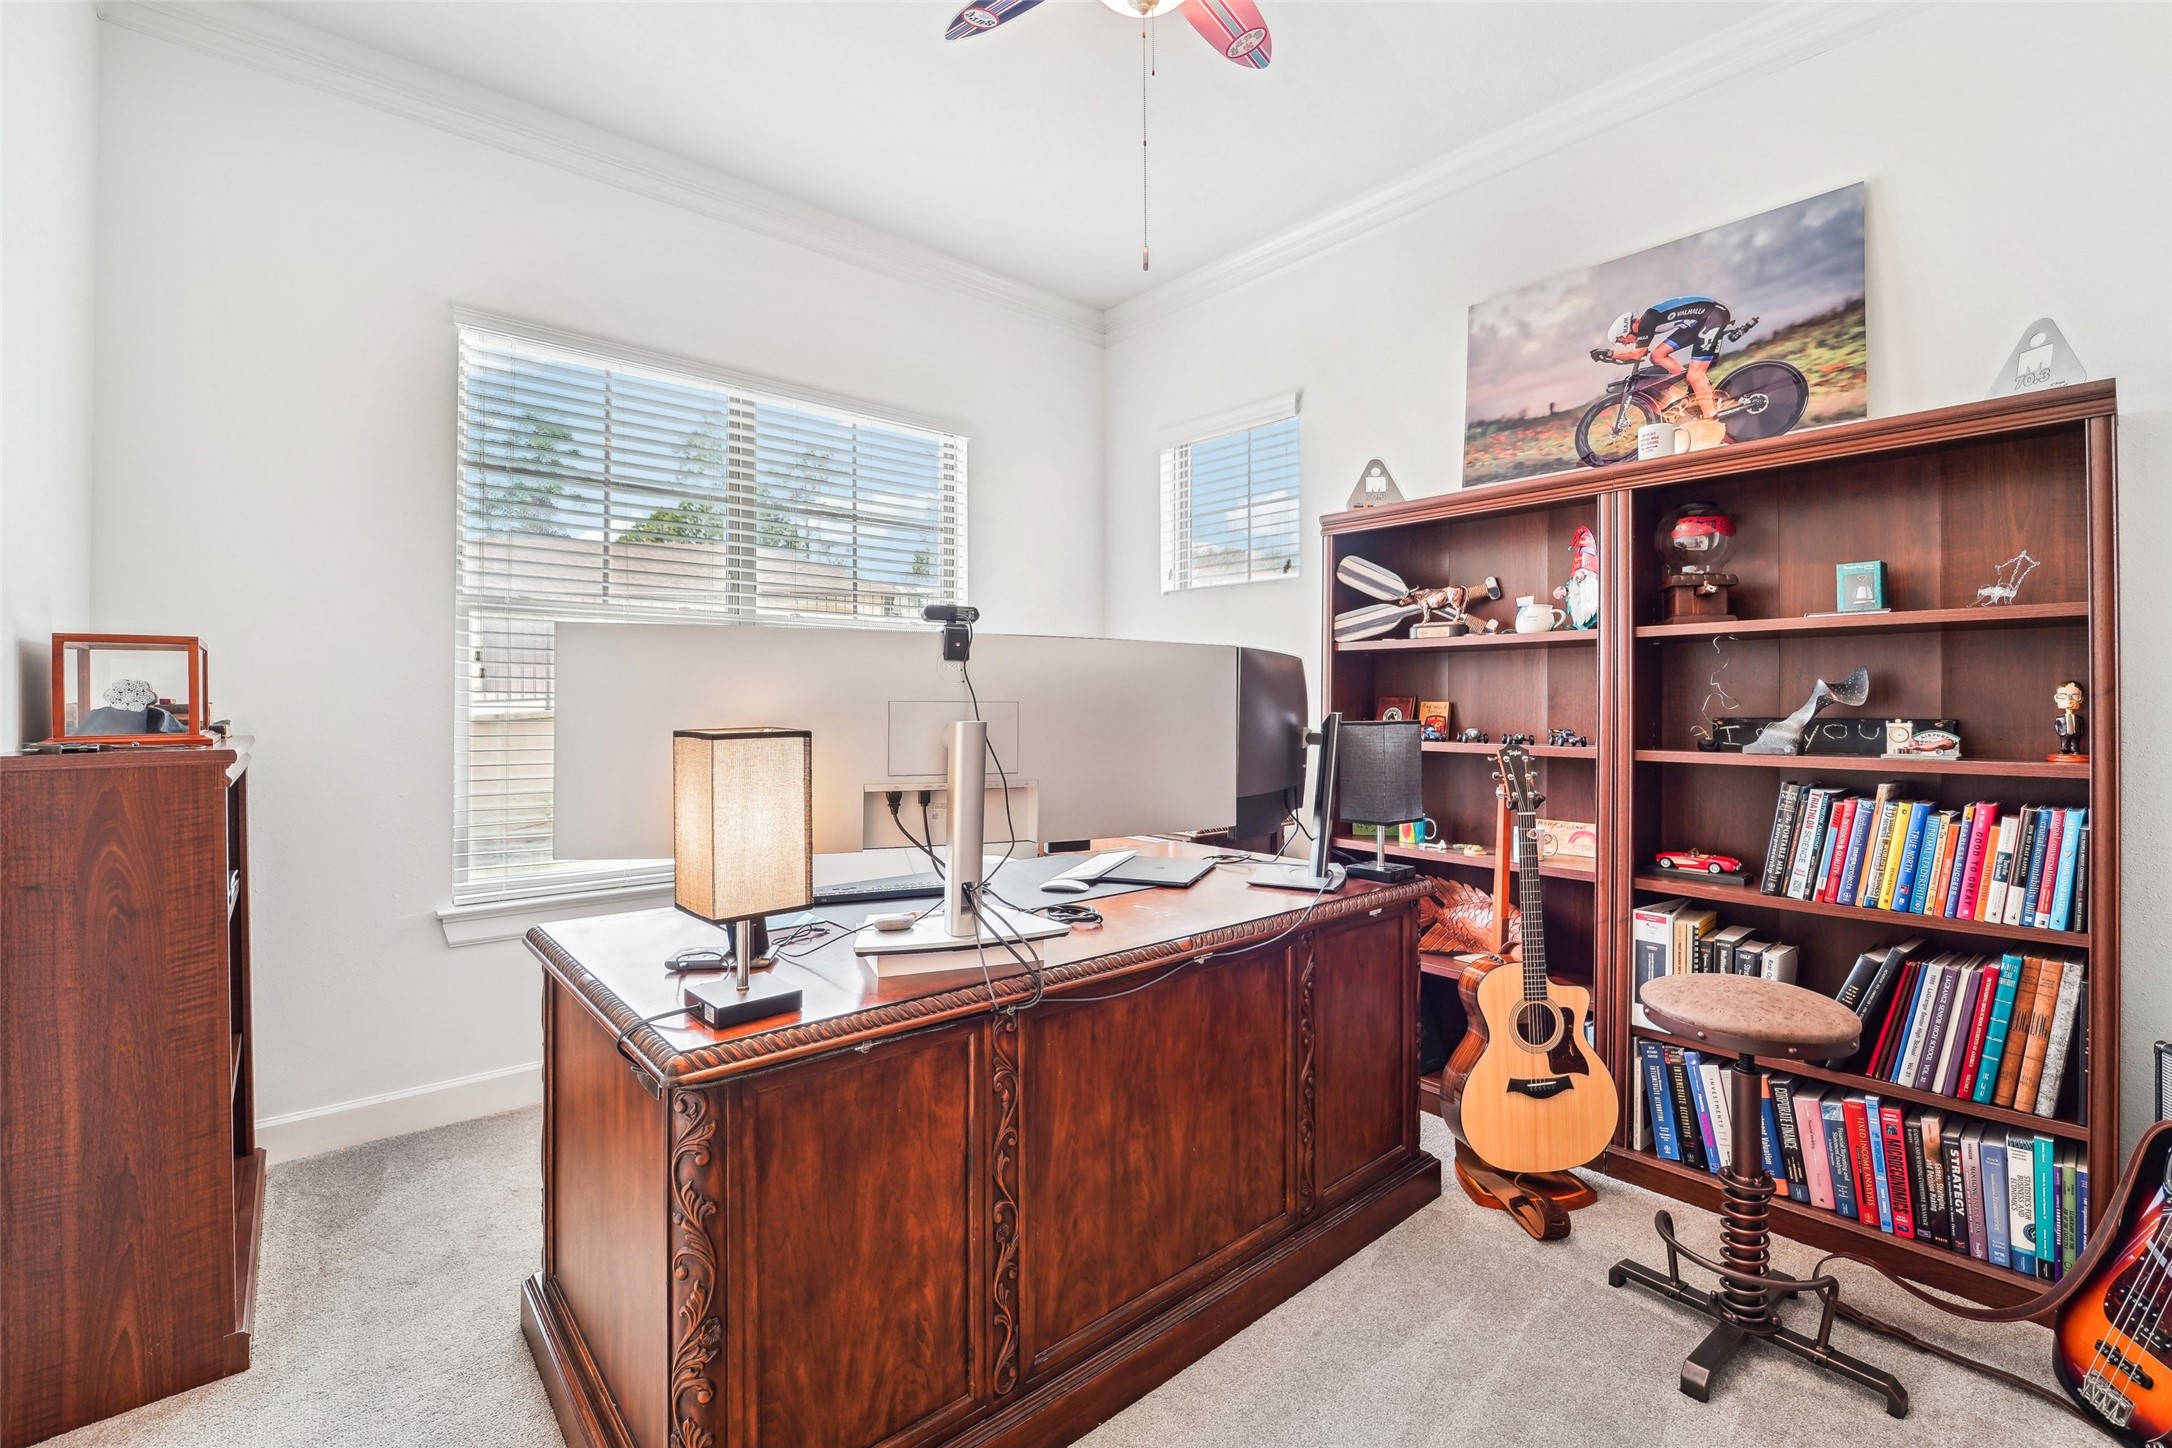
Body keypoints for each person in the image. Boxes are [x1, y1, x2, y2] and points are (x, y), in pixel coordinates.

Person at [1592, 296, 1733, 419]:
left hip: (1712, 316)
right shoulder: (1648, 321)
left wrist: (1609, 353)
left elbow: (1638, 354)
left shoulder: (1647, 321)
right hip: (1695, 323)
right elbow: (1643, 352)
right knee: (1657, 356)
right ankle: (1694, 385)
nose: (1626, 344)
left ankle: (1711, 417)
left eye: (1623, 341)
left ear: (1627, 331)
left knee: (1695, 375)